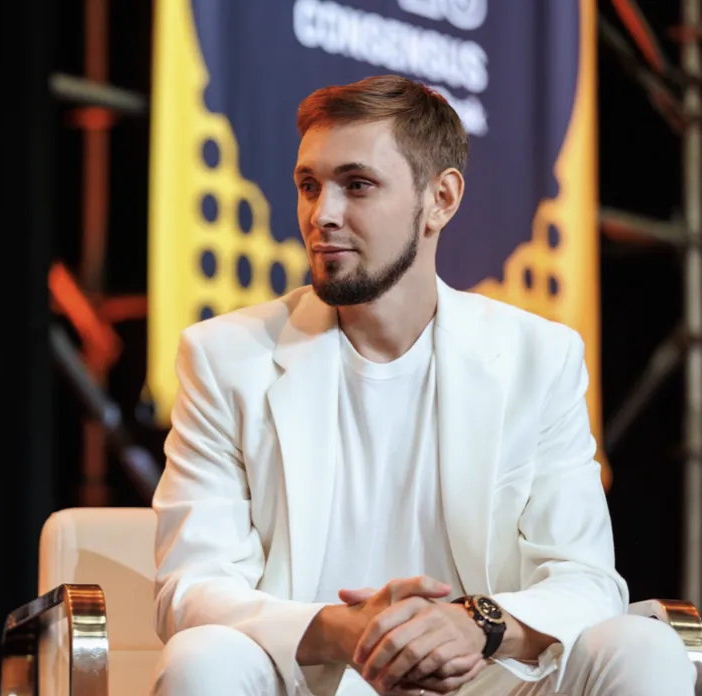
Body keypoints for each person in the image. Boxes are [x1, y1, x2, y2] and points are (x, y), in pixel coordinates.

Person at [148, 75, 699, 696]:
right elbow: (190, 588)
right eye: (309, 185)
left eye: (357, 185)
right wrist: (345, 629)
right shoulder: (225, 357)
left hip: (486, 678)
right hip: (310, 680)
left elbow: (588, 579)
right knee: (203, 657)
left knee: (643, 645)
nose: (321, 214)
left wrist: (475, 623)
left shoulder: (539, 357)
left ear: (441, 198)